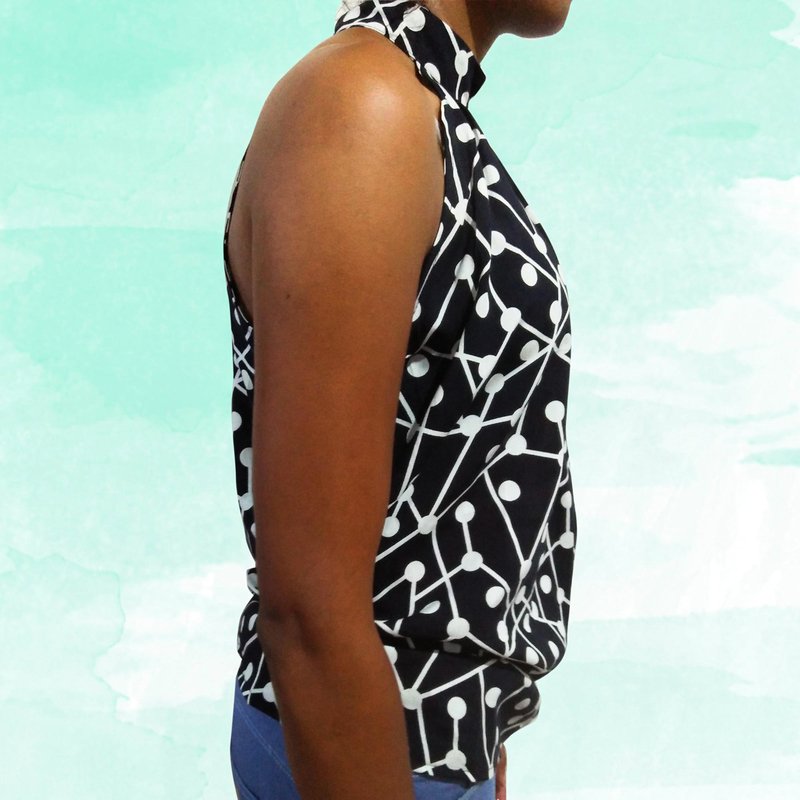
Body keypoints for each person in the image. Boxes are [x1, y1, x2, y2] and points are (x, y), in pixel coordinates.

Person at [223, 1, 577, 798]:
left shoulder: (416, 107)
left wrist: (481, 736)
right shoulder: (361, 108)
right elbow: (309, 609)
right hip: (366, 746)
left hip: (421, 744)